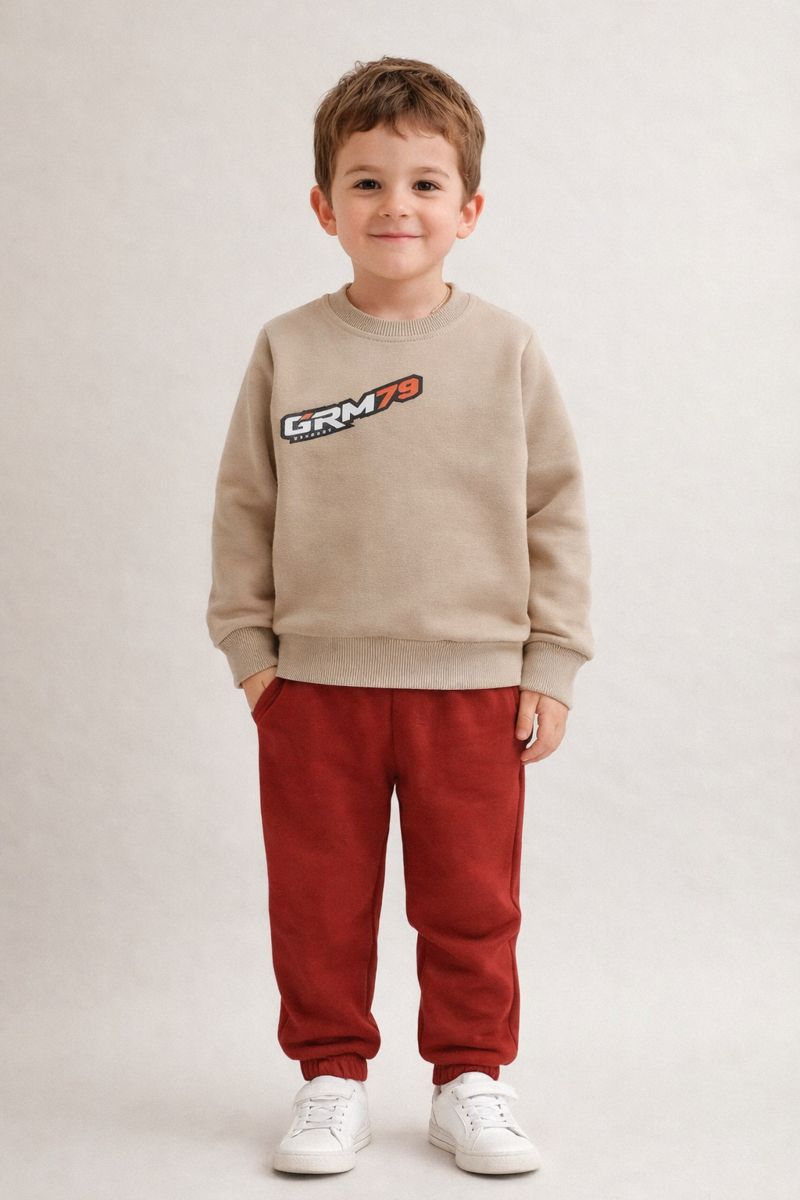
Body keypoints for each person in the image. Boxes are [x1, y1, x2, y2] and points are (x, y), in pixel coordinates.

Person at [205, 55, 594, 1177]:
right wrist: (252, 652)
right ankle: (330, 1080)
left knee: (470, 901)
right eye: (366, 182)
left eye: (425, 183)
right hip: (313, 686)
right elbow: (244, 504)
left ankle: (469, 1079)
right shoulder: (289, 347)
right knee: (318, 901)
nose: (395, 207)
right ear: (323, 205)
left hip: (473, 687)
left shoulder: (505, 348)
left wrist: (550, 663)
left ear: (469, 209)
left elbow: (556, 509)